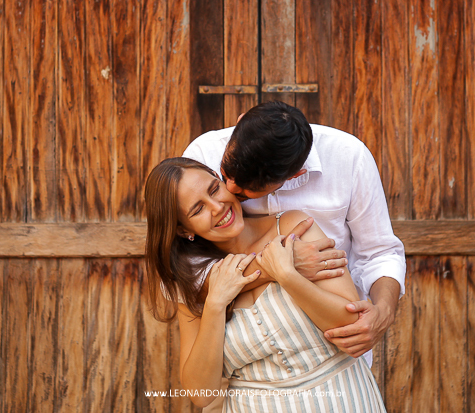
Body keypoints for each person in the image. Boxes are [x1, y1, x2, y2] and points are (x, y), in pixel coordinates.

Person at [144, 157, 387, 412]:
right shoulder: (193, 281)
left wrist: (286, 276)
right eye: (198, 210)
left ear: (222, 180)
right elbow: (201, 394)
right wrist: (215, 304)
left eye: (214, 189)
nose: (217, 207)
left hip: (342, 400)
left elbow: (351, 324)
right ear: (184, 230)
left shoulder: (293, 227)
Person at [182, 101, 405, 361]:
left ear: (294, 176)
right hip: (243, 351)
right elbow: (187, 271)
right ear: (240, 122)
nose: (229, 189)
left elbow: (379, 253)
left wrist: (384, 312)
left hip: (334, 348)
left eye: (246, 192)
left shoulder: (349, 157)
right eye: (224, 173)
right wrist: (280, 267)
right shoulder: (201, 154)